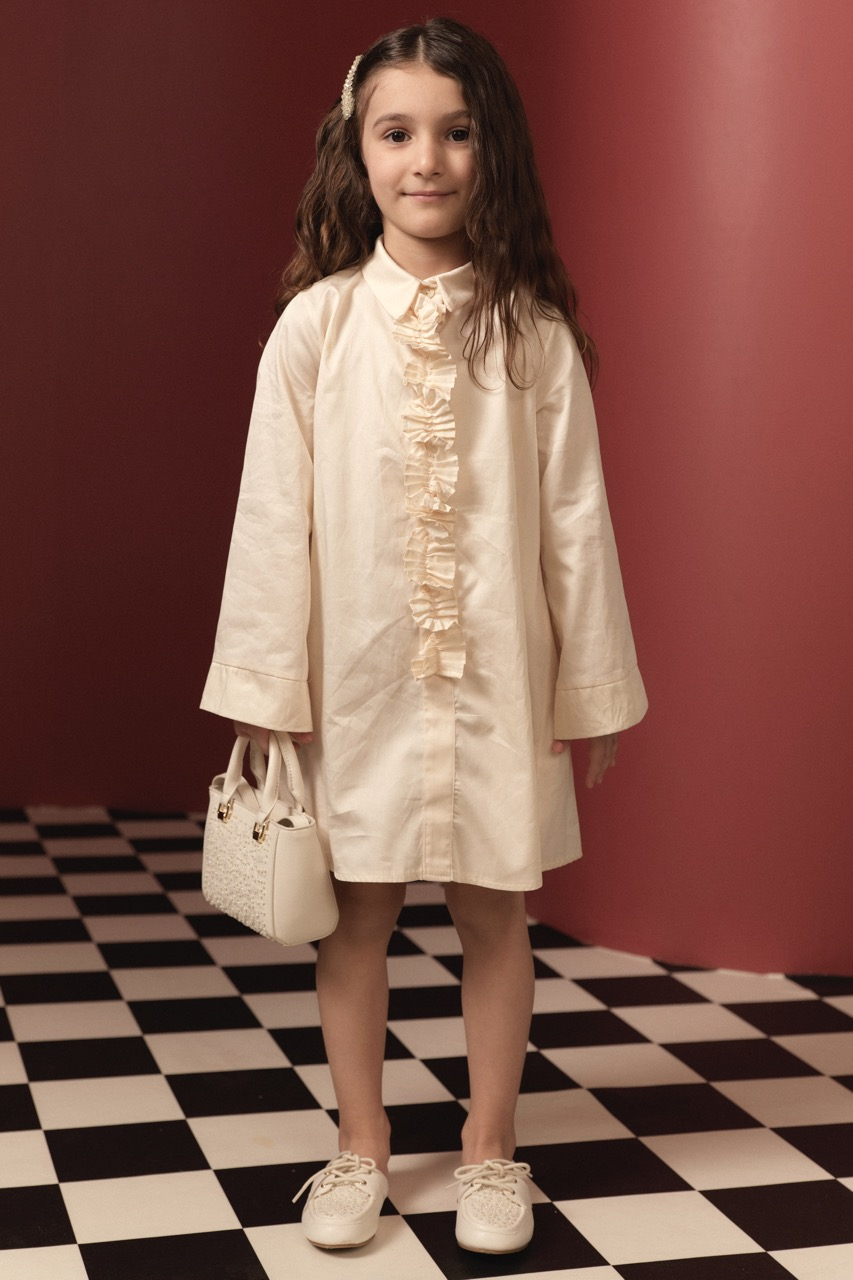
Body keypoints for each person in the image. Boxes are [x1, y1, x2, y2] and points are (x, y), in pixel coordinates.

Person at [201, 16, 647, 1256]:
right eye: (396, 133)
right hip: (355, 679)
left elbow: (575, 521)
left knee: (497, 912)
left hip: (500, 679)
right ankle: (361, 1143)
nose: (427, 161)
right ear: (357, 150)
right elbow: (271, 517)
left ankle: (490, 1146)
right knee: (354, 918)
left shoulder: (532, 333)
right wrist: (266, 688)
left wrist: (587, 690)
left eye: (454, 134)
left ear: (490, 149)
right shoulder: (316, 328)